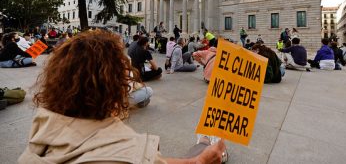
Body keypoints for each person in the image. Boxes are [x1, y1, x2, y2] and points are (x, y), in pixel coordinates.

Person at [18, 30, 226, 163]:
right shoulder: (124, 151)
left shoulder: (42, 126)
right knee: (206, 148)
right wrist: (201, 161)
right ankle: (206, 140)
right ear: (114, 84)